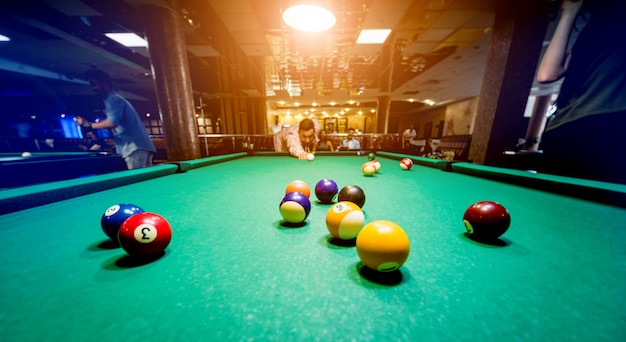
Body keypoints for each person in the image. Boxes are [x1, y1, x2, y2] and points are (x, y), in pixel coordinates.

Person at [536, 0, 626, 184]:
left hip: (573, 130)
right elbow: (546, 74)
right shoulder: (591, 32)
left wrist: (569, 12)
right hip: (586, 129)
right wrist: (570, 11)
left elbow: (546, 74)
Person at [75, 69, 156, 169]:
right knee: (145, 181)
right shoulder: (113, 98)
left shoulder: (113, 99)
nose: (92, 88)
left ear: (104, 84)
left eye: (93, 84)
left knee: (138, 180)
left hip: (134, 148)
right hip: (138, 147)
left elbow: (112, 122)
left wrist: (89, 124)